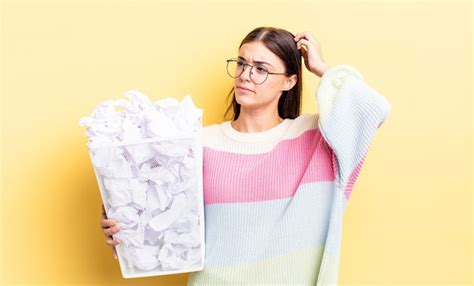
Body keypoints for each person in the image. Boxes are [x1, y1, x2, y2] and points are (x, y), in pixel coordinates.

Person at [100, 26, 391, 285]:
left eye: (261, 69)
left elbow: (372, 108)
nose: (245, 75)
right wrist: (124, 225)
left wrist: (321, 68)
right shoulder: (200, 142)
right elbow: (162, 225)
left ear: (289, 81)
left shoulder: (317, 138)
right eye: (241, 64)